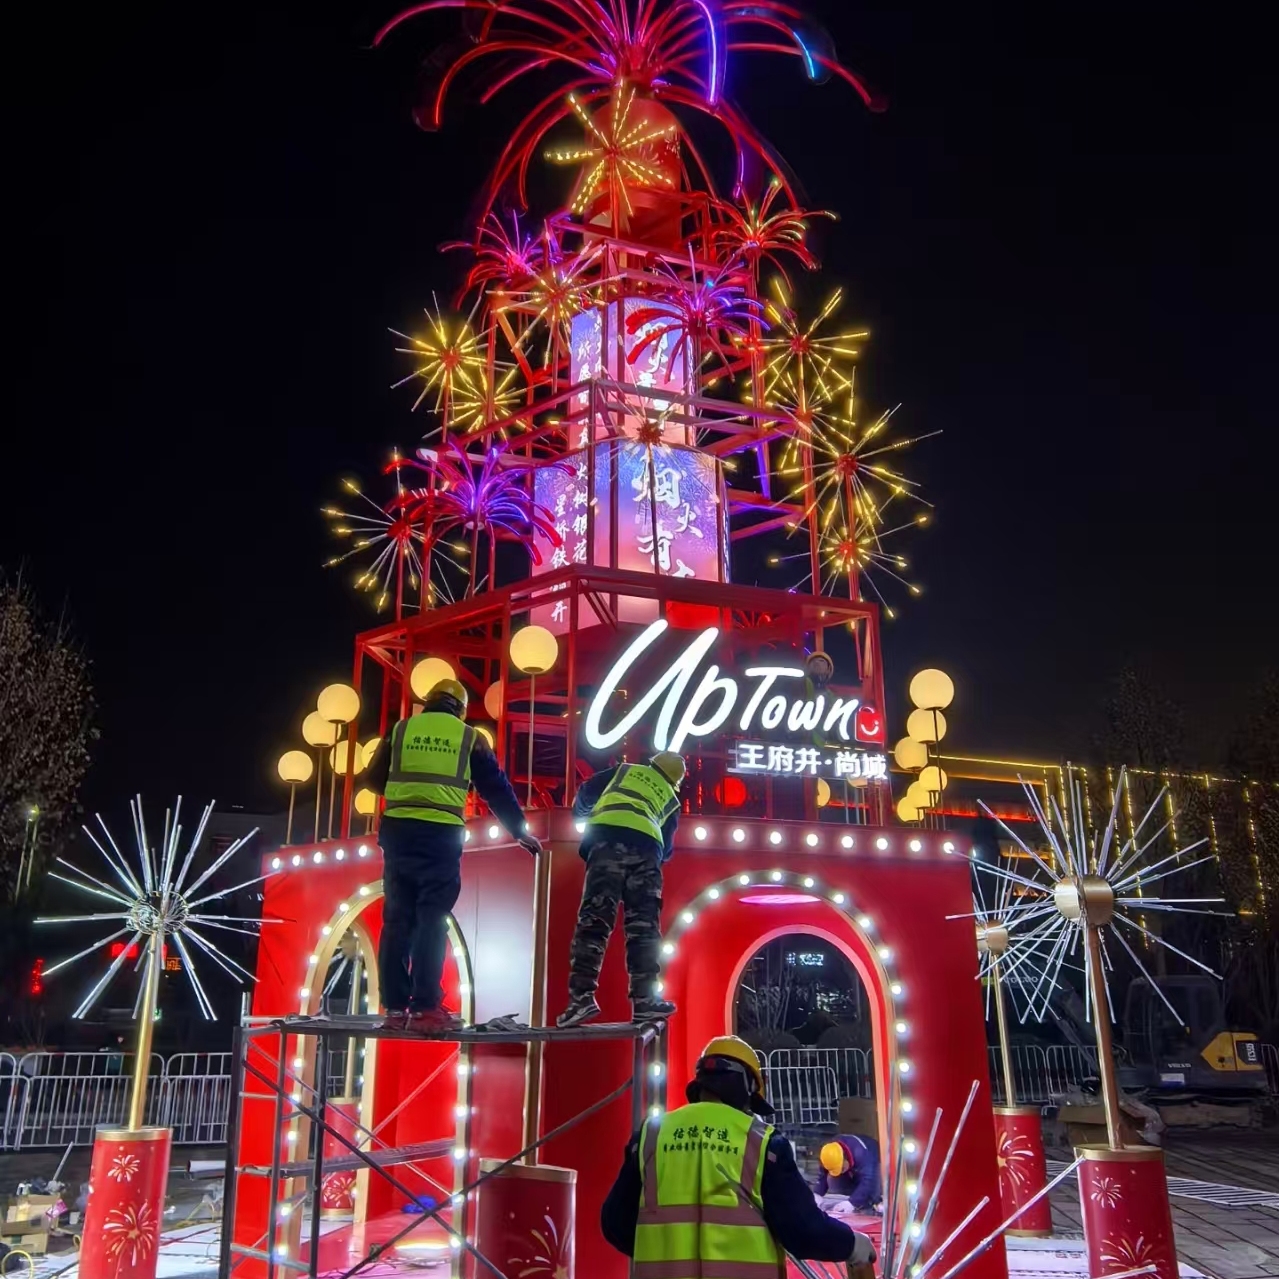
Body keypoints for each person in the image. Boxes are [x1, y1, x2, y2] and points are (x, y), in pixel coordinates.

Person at [601, 1035, 878, 1279]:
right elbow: (803, 1231)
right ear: (746, 1088)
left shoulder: (651, 1135)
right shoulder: (761, 1142)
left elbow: (615, 1223)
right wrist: (852, 1244)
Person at [366, 677, 541, 1030]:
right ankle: (426, 1008)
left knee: (397, 918)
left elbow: (372, 780)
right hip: (440, 835)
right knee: (432, 917)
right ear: (460, 708)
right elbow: (496, 789)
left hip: (398, 832)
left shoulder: (400, 731)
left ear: (428, 702)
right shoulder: (469, 738)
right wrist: (519, 831)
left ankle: (395, 1009)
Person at [556, 752, 685, 1027]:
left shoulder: (624, 770)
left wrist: (581, 813)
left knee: (595, 919)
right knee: (644, 927)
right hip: (649, 846)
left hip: (607, 837)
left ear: (652, 764)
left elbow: (587, 792)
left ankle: (581, 999)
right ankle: (645, 1001)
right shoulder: (672, 799)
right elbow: (669, 848)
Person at [816, 1135, 883, 1212]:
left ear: (845, 1158)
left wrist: (852, 1203)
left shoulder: (861, 1153)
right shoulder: (830, 1153)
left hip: (873, 1163)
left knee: (871, 1187)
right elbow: (822, 1175)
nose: (840, 1172)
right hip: (856, 1166)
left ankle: (871, 1202)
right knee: (834, 1181)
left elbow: (869, 1180)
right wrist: (817, 1194)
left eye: (842, 1168)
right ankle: (854, 1197)